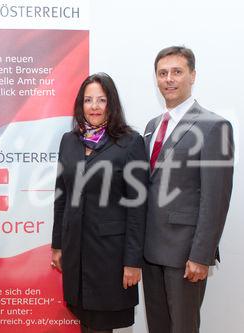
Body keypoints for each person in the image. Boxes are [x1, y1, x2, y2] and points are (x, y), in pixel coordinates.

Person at [143, 46, 234, 333]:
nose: (169, 79)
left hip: (185, 254)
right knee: (158, 327)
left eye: (177, 72)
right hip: (150, 251)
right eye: (162, 73)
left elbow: (215, 198)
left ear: (192, 76)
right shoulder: (152, 126)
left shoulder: (213, 126)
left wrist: (201, 255)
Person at [51, 73, 148, 333]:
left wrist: (132, 261)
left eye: (101, 100)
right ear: (80, 105)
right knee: (84, 320)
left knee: (102, 324)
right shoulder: (69, 141)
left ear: (111, 104)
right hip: (76, 251)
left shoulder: (130, 143)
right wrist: (58, 245)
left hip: (111, 256)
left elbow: (138, 208)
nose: (94, 106)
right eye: (88, 100)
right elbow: (62, 195)